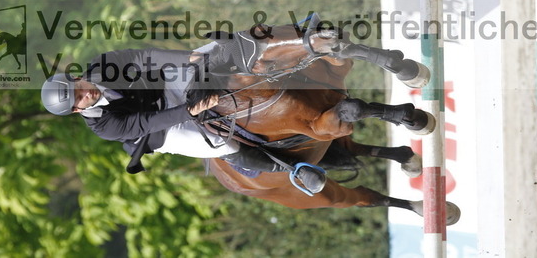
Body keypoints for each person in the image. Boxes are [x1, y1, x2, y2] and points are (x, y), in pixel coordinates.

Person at [40, 46, 326, 193]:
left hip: (163, 85)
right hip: (164, 129)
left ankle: (299, 41)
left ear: (75, 77)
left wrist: (188, 58)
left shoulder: (101, 66)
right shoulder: (103, 126)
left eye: (77, 87)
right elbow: (148, 122)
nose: (85, 93)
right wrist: (192, 110)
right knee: (223, 145)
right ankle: (294, 170)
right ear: (76, 110)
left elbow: (143, 57)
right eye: (78, 99)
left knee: (214, 52)